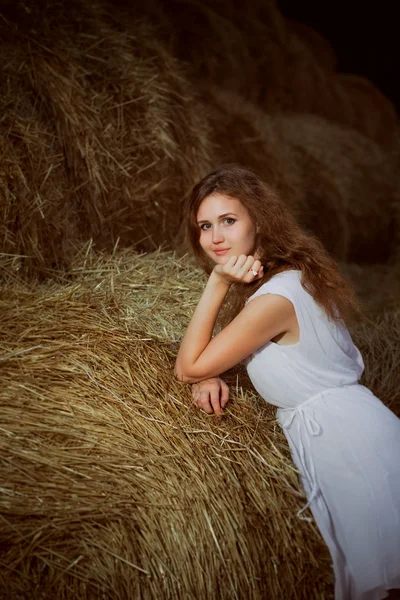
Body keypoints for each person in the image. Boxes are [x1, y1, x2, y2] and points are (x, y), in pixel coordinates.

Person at [174, 163, 400, 600]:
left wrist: (217, 283)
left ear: (258, 221)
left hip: (348, 444)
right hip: (348, 431)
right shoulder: (286, 281)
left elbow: (187, 366)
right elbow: (234, 359)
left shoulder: (275, 298)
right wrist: (214, 370)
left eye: (228, 220)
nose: (215, 237)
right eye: (204, 226)